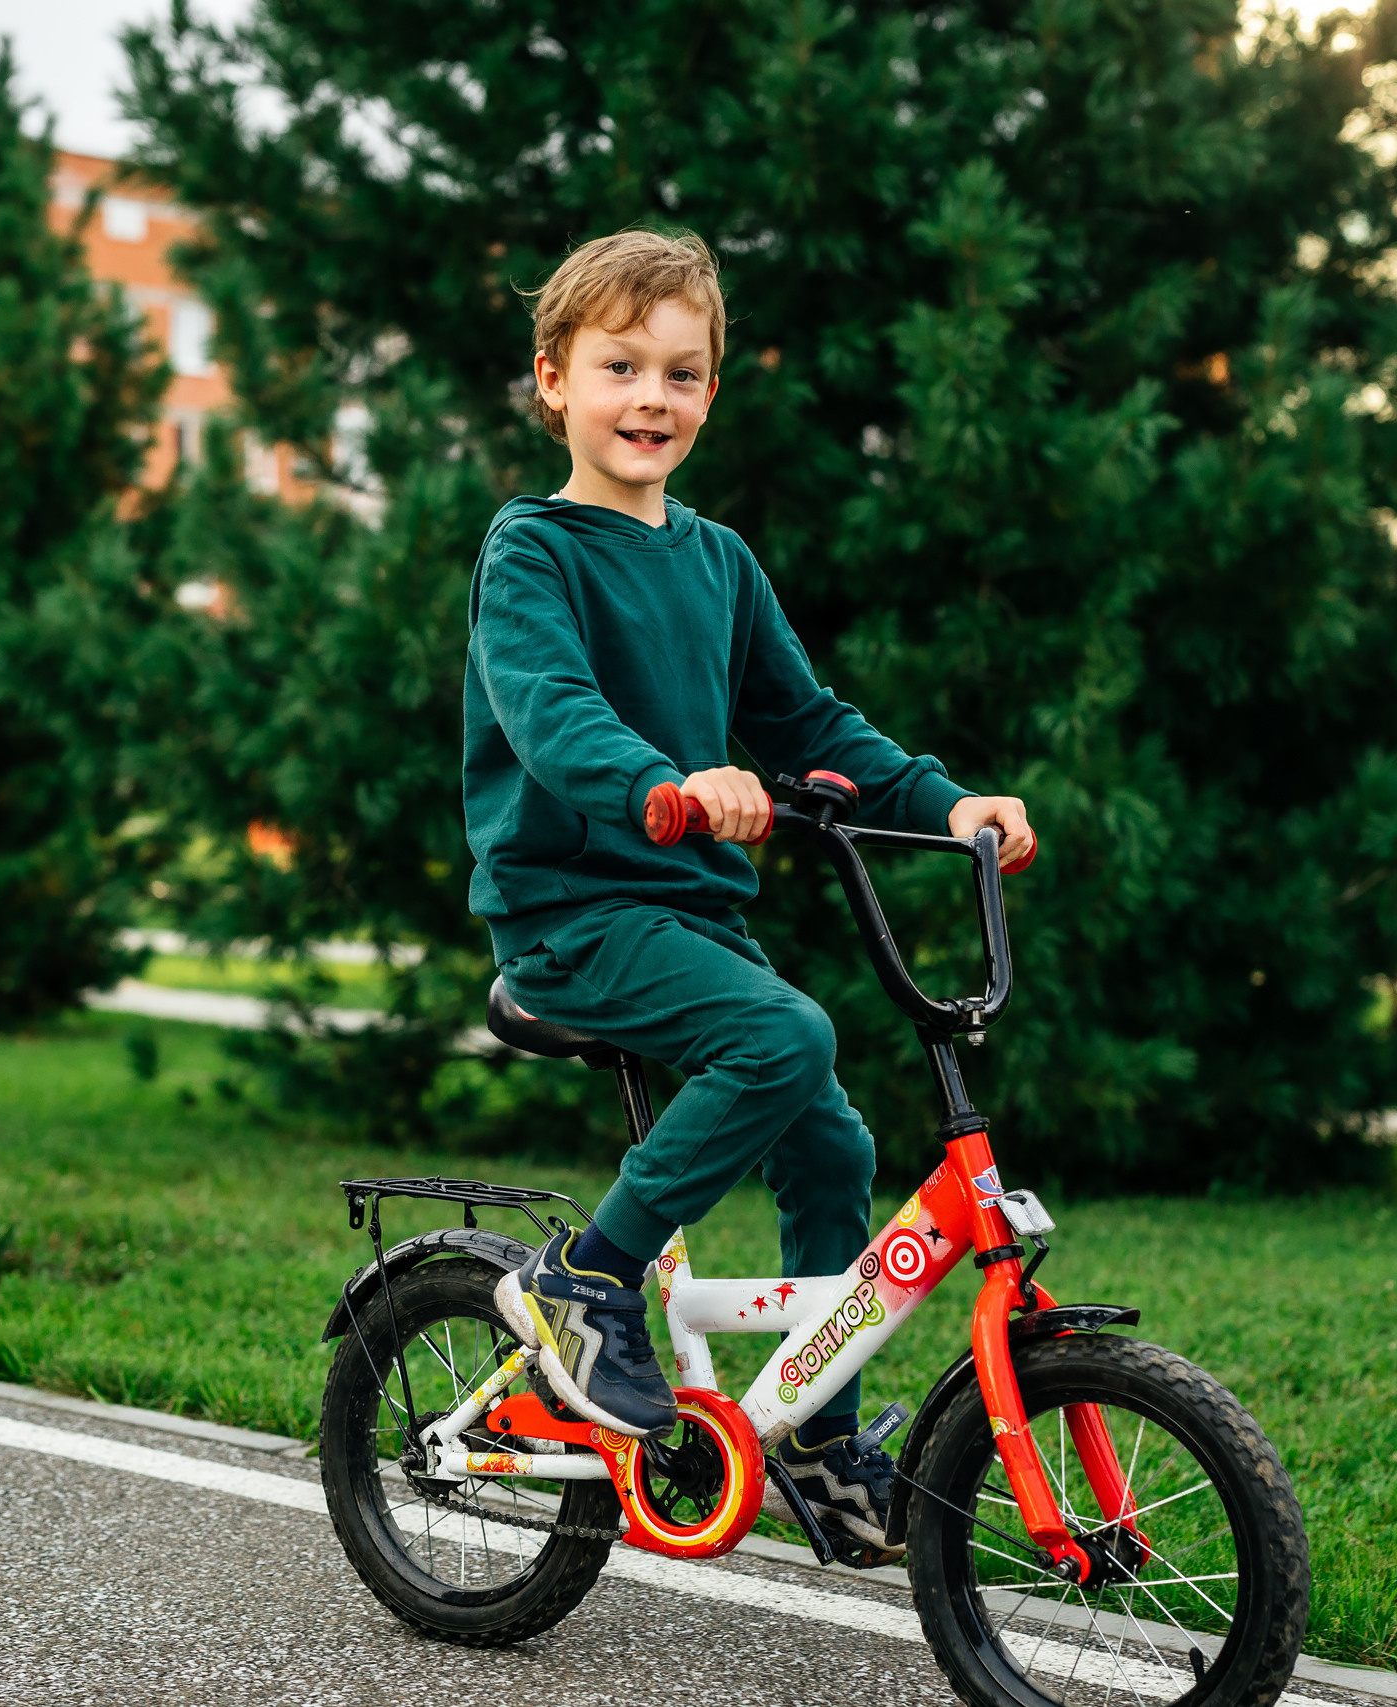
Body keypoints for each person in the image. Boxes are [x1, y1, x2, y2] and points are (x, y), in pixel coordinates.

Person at [468, 229, 1036, 1563]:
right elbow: (551, 713)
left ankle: (822, 1437)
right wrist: (664, 783)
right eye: (619, 368)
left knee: (834, 1145)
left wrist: (948, 805)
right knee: (786, 1037)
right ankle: (584, 1280)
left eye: (680, 372)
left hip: (687, 921)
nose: (649, 398)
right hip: (575, 913)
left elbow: (811, 720)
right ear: (554, 379)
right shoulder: (532, 551)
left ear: (711, 394)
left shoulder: (716, 561)